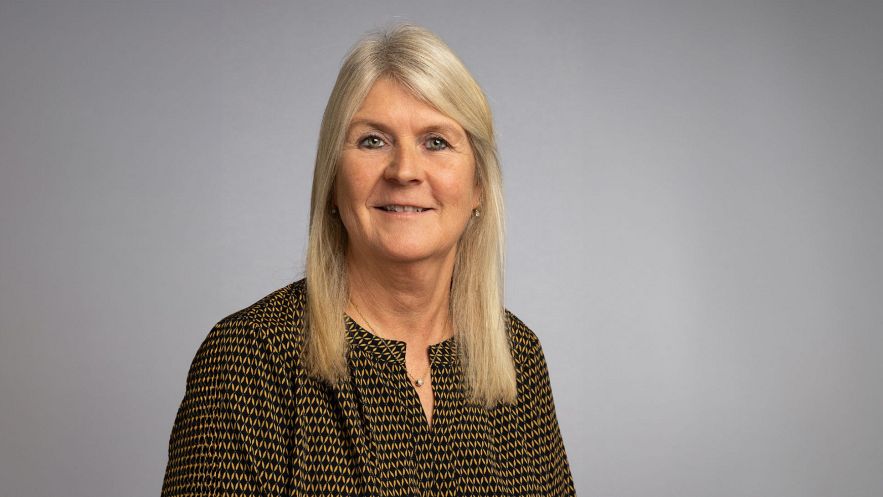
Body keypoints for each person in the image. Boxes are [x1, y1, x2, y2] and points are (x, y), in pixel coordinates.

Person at [161, 24, 576, 496]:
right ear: (333, 180)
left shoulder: (518, 355)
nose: (404, 171)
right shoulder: (250, 359)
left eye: (436, 142)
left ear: (478, 185)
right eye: (373, 140)